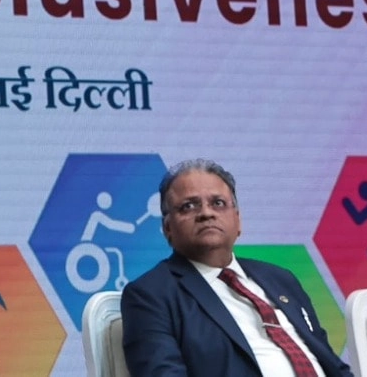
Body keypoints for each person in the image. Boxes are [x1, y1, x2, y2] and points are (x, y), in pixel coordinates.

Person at [122, 160, 351, 377]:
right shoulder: (151, 295)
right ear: (168, 228)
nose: (206, 213)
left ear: (238, 220)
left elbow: (332, 364)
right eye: (189, 206)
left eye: (218, 203)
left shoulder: (280, 278)